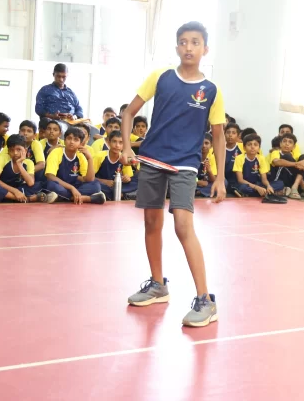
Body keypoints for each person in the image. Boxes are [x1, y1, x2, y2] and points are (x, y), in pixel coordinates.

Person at [122, 21, 227, 328]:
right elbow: (129, 112)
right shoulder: (162, 77)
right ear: (177, 46)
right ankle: (158, 284)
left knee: (183, 225)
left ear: (205, 48)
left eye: (195, 42)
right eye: (183, 42)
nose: (189, 47)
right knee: (152, 222)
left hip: (186, 164)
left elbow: (218, 136)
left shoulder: (211, 90)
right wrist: (128, 147)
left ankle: (205, 300)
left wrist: (219, 177)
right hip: (153, 158)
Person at [0, 135, 55, 203]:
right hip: (5, 187)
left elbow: (30, 183)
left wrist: (19, 164)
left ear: (25, 150)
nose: (15, 153)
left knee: (38, 185)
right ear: (8, 151)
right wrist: (15, 192)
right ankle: (27, 199)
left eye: (19, 150)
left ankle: (11, 197)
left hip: (20, 188)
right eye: (12, 150)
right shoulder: (4, 159)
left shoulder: (29, 163)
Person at [44, 127, 104, 204]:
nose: (71, 142)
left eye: (76, 140)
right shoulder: (56, 152)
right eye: (69, 138)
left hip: (75, 185)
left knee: (96, 185)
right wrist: (72, 188)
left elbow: (89, 179)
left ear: (81, 143)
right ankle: (87, 198)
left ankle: (64, 197)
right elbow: (50, 176)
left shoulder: (80, 155)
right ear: (64, 141)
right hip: (60, 184)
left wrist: (90, 159)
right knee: (52, 185)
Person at [34, 63, 90, 134]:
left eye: (64, 77)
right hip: (55, 121)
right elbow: (38, 109)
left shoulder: (71, 92)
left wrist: (75, 116)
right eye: (58, 76)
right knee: (61, 128)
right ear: (53, 75)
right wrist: (52, 116)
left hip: (72, 121)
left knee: (91, 129)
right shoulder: (45, 90)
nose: (61, 79)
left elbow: (79, 109)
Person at [93, 130, 136, 201]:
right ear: (109, 142)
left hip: (118, 186)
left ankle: (115, 194)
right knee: (94, 185)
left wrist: (127, 178)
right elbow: (89, 177)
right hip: (102, 185)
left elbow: (129, 177)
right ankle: (122, 195)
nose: (117, 145)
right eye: (114, 141)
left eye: (120, 142)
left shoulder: (123, 158)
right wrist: (104, 181)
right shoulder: (99, 156)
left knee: (138, 180)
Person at [268, 133, 304, 199]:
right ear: (280, 144)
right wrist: (297, 164)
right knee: (287, 157)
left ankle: (295, 186)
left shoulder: (294, 154)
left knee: (303, 156)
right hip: (279, 180)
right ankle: (303, 186)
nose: (287, 144)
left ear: (294, 146)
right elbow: (277, 162)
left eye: (290, 142)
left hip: (292, 181)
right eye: (284, 141)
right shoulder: (276, 152)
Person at [195, 133, 218, 198]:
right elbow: (187, 176)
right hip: (193, 183)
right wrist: (198, 182)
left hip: (206, 184)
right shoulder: (193, 156)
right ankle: (200, 191)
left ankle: (199, 191)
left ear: (211, 145)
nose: (203, 146)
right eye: (201, 143)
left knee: (222, 184)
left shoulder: (213, 158)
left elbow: (214, 180)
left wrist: (209, 170)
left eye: (206, 143)